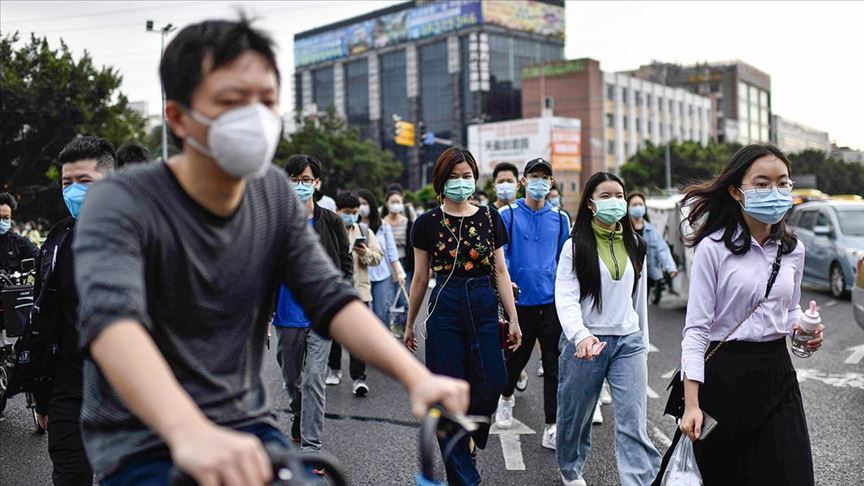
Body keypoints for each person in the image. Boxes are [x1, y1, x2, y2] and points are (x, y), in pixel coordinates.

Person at [71, 18, 468, 485]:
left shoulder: (272, 195)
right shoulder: (120, 202)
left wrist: (415, 377)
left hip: (246, 425)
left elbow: (331, 297)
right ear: (178, 118)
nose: (254, 117)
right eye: (231, 102)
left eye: (265, 101)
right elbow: (114, 325)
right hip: (144, 442)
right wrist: (189, 431)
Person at [671, 144, 821, 485]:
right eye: (762, 183)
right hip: (724, 380)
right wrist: (692, 405)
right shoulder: (713, 248)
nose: (775, 192)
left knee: (794, 476)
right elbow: (696, 330)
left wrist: (804, 331)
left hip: (777, 375)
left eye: (782, 183)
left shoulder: (793, 249)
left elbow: (791, 308)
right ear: (737, 192)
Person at [405, 147, 522, 486]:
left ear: (475, 178)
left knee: (493, 380)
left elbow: (500, 270)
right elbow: (420, 278)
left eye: (466, 175)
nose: (461, 182)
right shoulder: (425, 223)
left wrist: (513, 319)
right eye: (453, 177)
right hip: (445, 305)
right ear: (441, 182)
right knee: (445, 392)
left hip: (483, 300)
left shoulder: (489, 217)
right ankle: (465, 478)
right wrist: (411, 323)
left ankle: (469, 438)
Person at [554, 172, 659, 486]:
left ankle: (639, 480)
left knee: (632, 420)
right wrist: (581, 335)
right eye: (606, 196)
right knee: (576, 417)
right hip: (586, 343)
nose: (615, 202)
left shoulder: (635, 244)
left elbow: (637, 300)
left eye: (619, 196)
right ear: (590, 203)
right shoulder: (575, 247)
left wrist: (644, 341)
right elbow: (566, 297)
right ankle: (570, 469)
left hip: (629, 341)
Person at [34, 136, 116, 485]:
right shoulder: (58, 243)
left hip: (130, 392)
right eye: (67, 183)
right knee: (69, 477)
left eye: (85, 182)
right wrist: (42, 395)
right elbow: (46, 321)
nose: (73, 191)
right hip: (70, 389)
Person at [274, 153, 352, 453]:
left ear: (317, 183)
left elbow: (345, 262)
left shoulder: (331, 221)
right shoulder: (277, 221)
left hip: (321, 316)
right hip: (286, 315)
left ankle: (311, 448)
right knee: (292, 382)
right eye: (295, 180)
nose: (301, 185)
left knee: (314, 381)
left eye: (307, 180)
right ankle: (298, 414)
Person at [495, 158, 570, 451]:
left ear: (551, 183)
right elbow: (501, 256)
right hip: (519, 302)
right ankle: (506, 398)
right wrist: (508, 286)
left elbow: (564, 261)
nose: (539, 182)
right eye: (534, 176)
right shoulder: (508, 214)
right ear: (523, 181)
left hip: (551, 303)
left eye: (545, 177)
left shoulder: (561, 219)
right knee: (515, 360)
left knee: (553, 366)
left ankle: (552, 426)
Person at [330, 191, 384, 396]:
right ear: (337, 211)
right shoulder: (330, 230)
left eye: (354, 212)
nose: (351, 216)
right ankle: (334, 368)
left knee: (358, 337)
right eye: (347, 212)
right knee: (333, 333)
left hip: (360, 291)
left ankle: (359, 379)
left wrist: (365, 254)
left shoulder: (364, 231)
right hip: (335, 290)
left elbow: (378, 258)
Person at [357, 188, 406, 335]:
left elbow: (391, 252)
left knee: (381, 313)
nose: (362, 207)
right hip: (361, 276)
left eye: (365, 203)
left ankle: (382, 348)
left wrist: (399, 272)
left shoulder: (383, 226)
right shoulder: (354, 226)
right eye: (359, 204)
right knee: (363, 316)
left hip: (381, 276)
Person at [0, 192, 38, 343]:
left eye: (6, 218)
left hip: (15, 304)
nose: (2, 222)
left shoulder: (19, 242)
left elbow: (41, 257)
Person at [627, 193, 678, 302]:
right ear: (628, 208)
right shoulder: (623, 231)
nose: (638, 207)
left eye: (640, 204)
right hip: (627, 276)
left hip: (646, 275)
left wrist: (671, 268)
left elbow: (662, 249)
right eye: (634, 204)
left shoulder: (652, 231)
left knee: (641, 306)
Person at [382, 189, 414, 334]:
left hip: (404, 265)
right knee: (387, 301)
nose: (396, 205)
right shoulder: (381, 223)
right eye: (392, 202)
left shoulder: (409, 223)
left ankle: (403, 330)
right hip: (387, 267)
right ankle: (387, 332)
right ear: (386, 203)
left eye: (398, 202)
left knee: (404, 299)